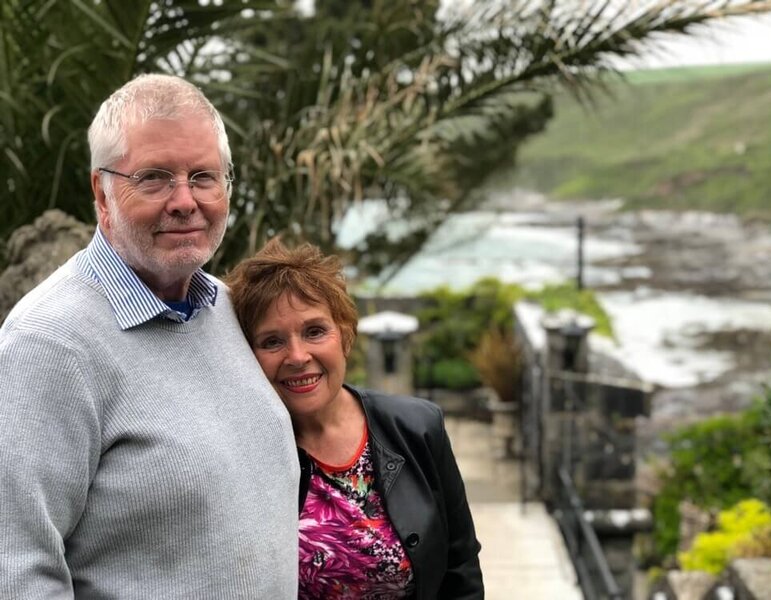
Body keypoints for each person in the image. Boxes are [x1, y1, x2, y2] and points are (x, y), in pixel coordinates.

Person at [0, 74, 299, 598]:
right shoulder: (48, 344)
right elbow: (14, 568)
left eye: (203, 176)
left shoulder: (226, 311)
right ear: (102, 192)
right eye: (155, 178)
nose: (185, 201)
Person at [226, 238, 484, 599]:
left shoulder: (418, 427)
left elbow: (461, 568)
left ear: (345, 335)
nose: (298, 356)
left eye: (314, 331)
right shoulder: (239, 453)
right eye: (272, 341)